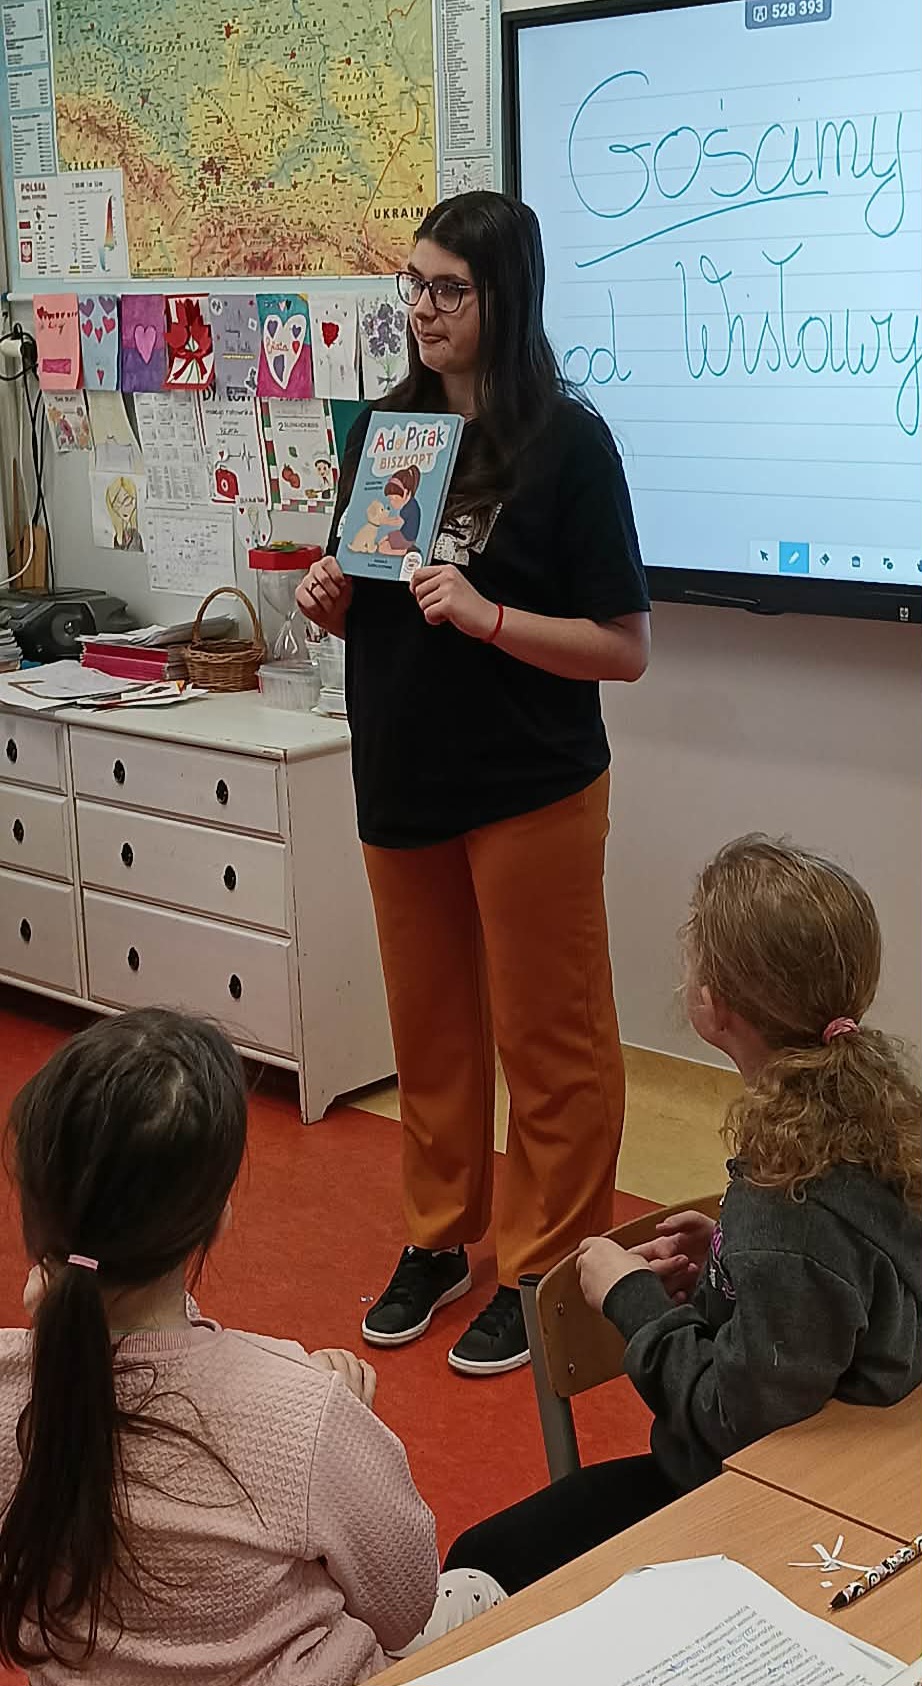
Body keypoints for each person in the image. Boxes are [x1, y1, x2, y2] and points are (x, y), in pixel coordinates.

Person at [296, 190, 651, 1376]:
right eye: (415, 284)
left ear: (506, 297)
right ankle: (440, 1238)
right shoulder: (382, 431)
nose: (424, 309)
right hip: (401, 772)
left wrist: (491, 616)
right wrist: (330, 598)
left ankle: (548, 1264)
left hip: (530, 784)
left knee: (552, 1037)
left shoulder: (569, 445)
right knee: (431, 1033)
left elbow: (623, 648)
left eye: (449, 288)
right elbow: (375, 595)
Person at [444, 837, 922, 1590]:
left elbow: (732, 1419)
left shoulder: (785, 1202)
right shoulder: (883, 1119)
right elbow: (838, 1296)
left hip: (769, 1503)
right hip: (866, 1463)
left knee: (480, 1559)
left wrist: (630, 1298)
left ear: (716, 1005)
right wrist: (731, 1260)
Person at [0, 1008, 501, 1682]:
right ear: (214, 1218)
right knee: (477, 1589)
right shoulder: (305, 1409)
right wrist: (347, 1423)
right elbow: (404, 1605)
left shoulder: (15, 1386)